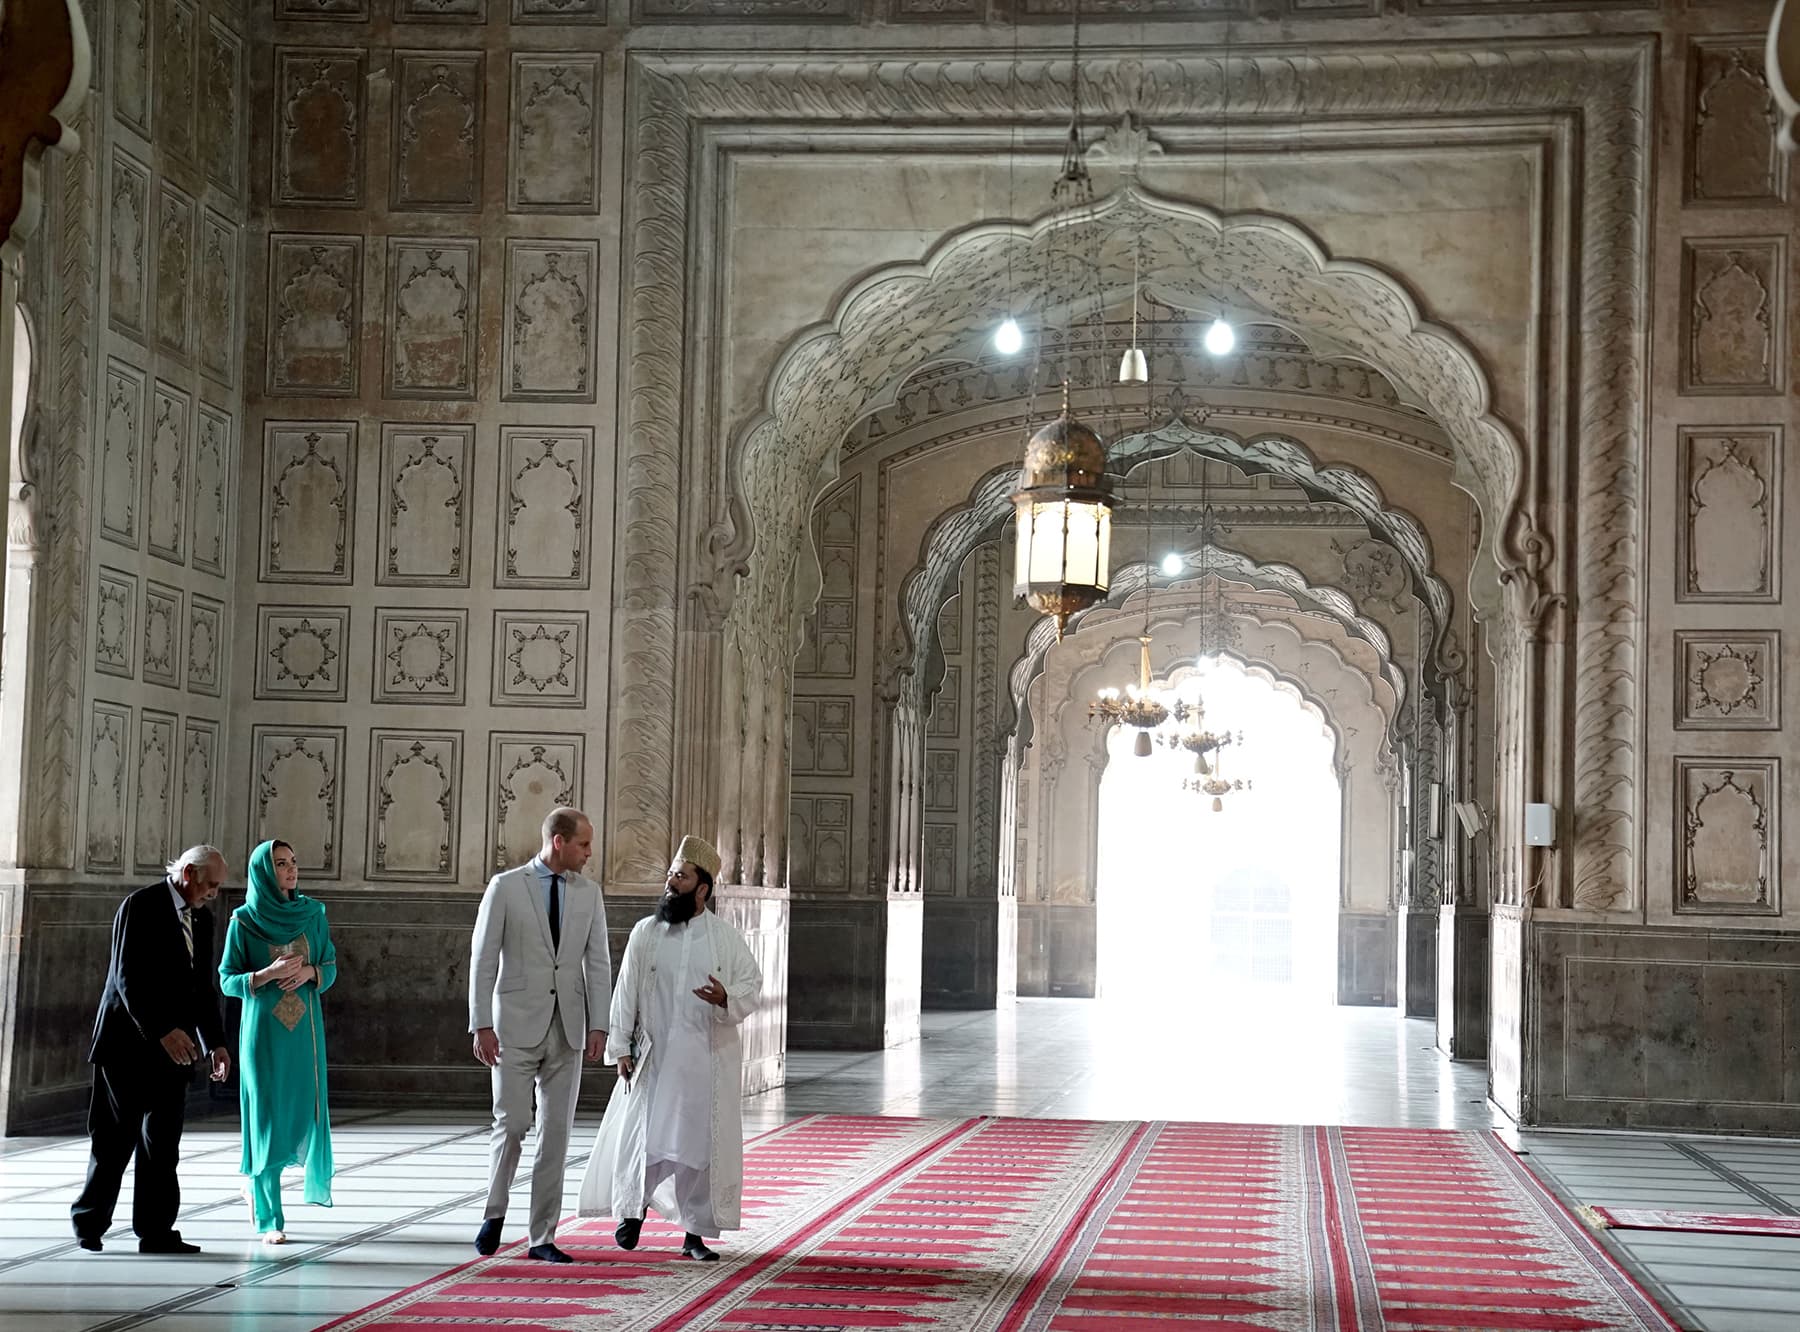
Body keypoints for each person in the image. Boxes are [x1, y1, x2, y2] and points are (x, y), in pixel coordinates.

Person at [578, 834, 763, 1262]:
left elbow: (751, 986)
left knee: (697, 1149)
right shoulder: (647, 932)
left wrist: (725, 999)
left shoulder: (724, 939)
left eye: (681, 876)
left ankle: (694, 1235)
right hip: (654, 1060)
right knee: (645, 1139)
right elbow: (625, 992)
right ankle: (631, 1213)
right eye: (670, 874)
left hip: (705, 1064)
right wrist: (621, 1046)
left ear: (702, 889)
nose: (670, 882)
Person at [71, 845, 232, 1254]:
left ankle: (156, 1231)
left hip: (174, 1051)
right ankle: (89, 1224)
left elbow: (201, 989)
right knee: (113, 1139)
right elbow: (127, 978)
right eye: (211, 883)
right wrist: (162, 1030)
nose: (214, 892)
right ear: (190, 873)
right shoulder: (140, 905)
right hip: (127, 1045)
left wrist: (215, 1043)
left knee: (163, 1145)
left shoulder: (202, 917)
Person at [469, 806, 611, 1263]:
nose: (590, 853)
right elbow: (483, 958)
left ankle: (542, 1237)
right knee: (511, 1125)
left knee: (556, 1134)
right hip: (512, 1025)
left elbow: (599, 962)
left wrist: (599, 1025)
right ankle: (494, 1212)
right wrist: (480, 1023)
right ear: (559, 842)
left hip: (568, 1028)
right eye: (584, 844)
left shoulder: (590, 894)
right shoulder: (506, 887)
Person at [218, 840, 337, 1244]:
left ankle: (252, 1184)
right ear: (264, 872)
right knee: (266, 1119)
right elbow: (227, 978)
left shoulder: (313, 915)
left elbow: (331, 965)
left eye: (293, 862)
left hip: (305, 1036)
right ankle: (269, 1215)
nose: (290, 870)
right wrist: (265, 975)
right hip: (263, 1034)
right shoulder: (245, 921)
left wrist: (310, 973)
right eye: (281, 864)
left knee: (302, 1111)